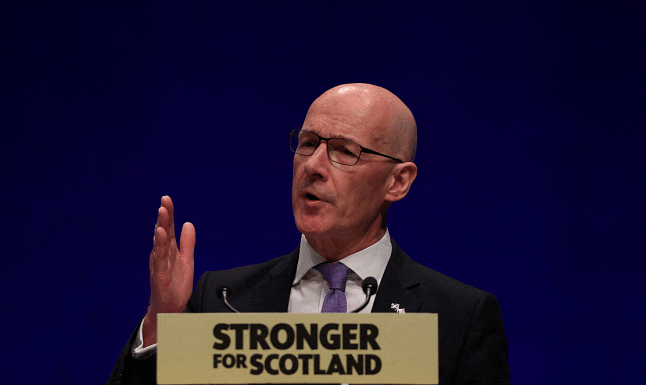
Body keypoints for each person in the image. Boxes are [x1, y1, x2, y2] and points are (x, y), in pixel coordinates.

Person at [107, 84, 510, 385]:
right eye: (308, 143)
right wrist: (162, 324)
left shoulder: (457, 320)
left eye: (345, 150)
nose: (314, 165)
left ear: (398, 181)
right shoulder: (223, 300)